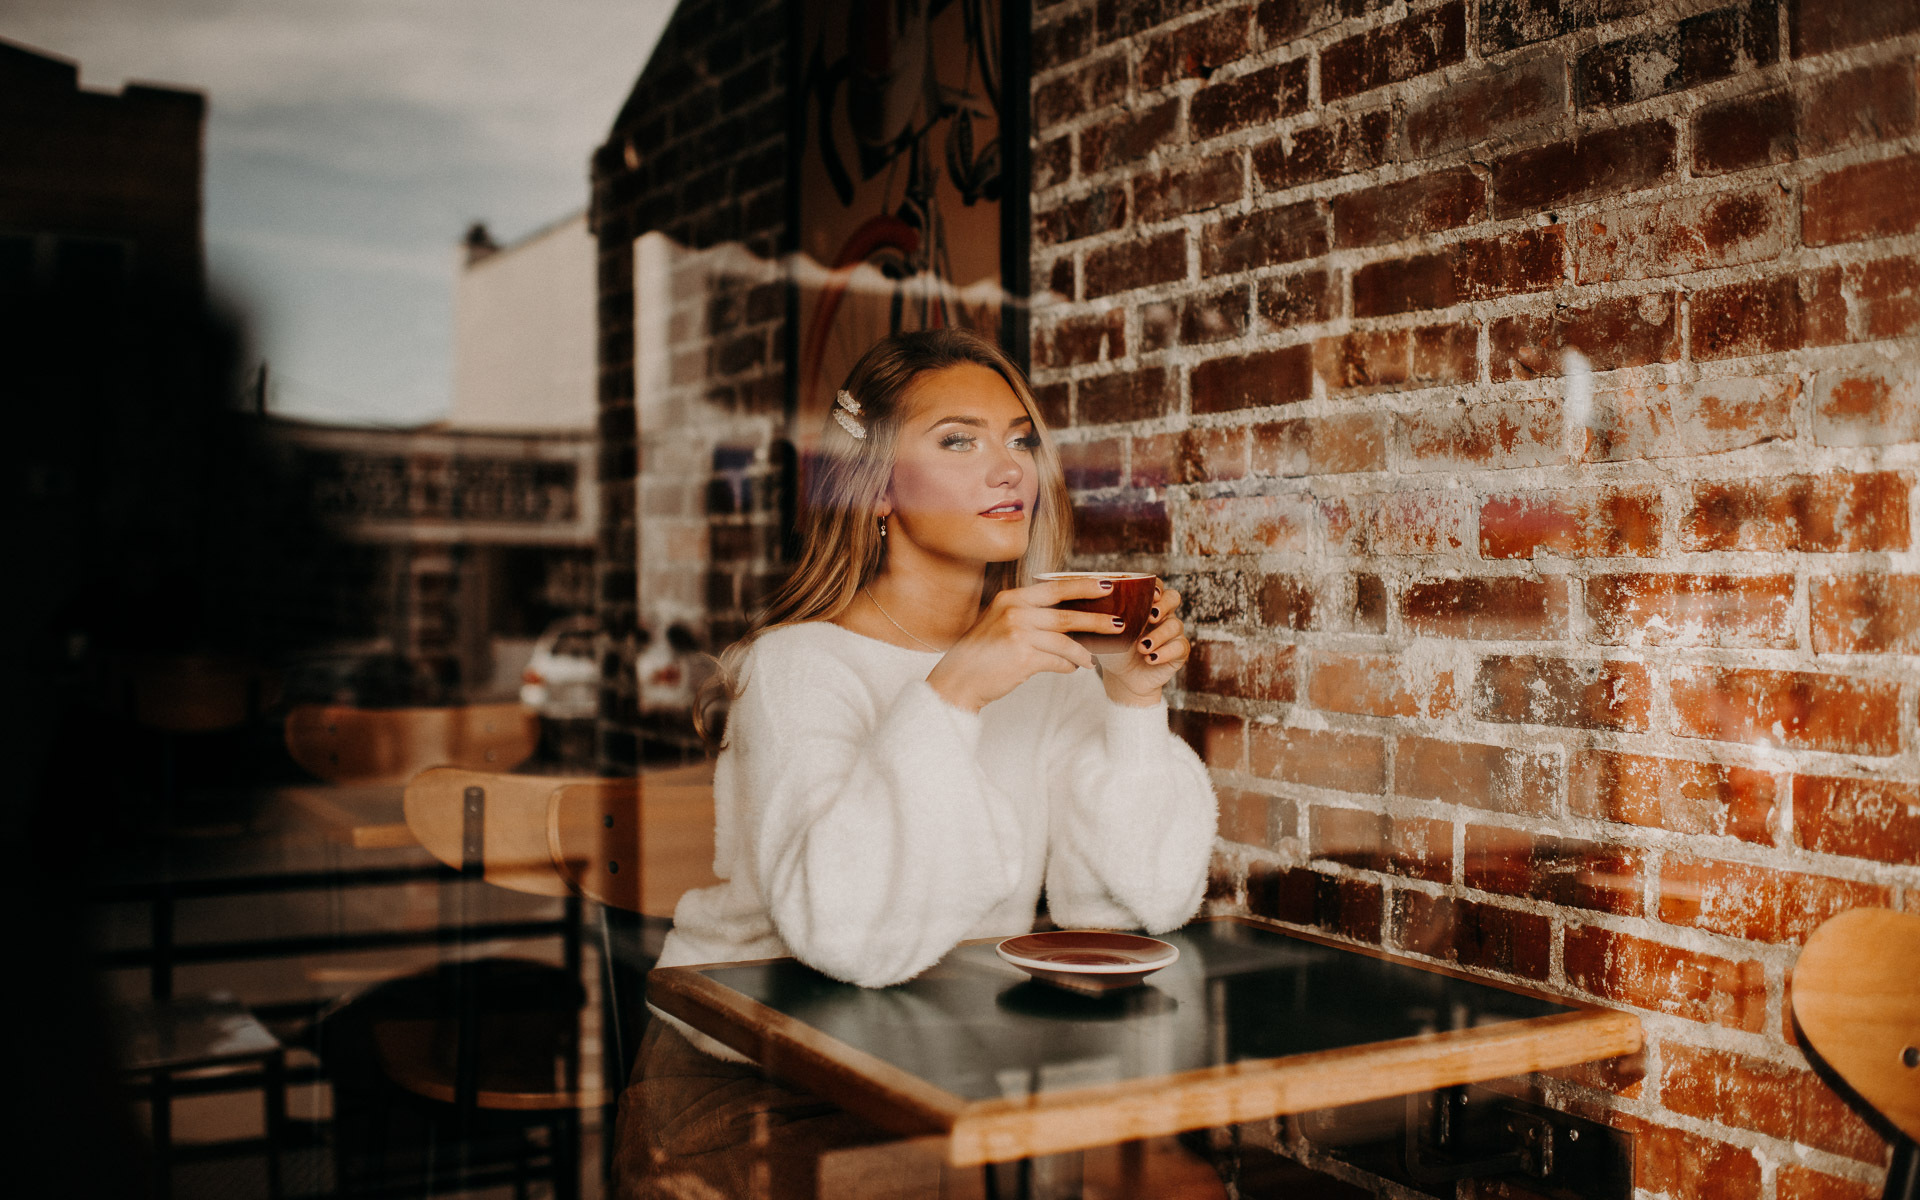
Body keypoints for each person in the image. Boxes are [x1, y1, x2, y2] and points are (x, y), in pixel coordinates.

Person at [614, 328, 1218, 1198]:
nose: (1009, 468)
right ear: (877, 489)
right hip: (757, 1076)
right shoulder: (797, 667)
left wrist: (1130, 701)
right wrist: (954, 692)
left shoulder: (1045, 665)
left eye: (1019, 439)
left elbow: (1135, 907)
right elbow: (852, 942)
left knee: (1180, 1189)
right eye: (958, 440)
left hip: (960, 1060)